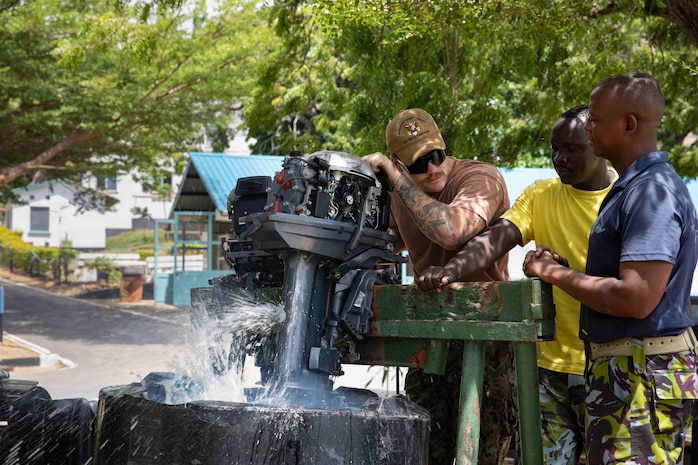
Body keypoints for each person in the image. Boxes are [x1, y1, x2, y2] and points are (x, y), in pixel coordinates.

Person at [416, 104, 616, 464]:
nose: (559, 158)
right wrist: (451, 271)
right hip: (548, 368)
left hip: (607, 365)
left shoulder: (626, 198)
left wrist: (558, 272)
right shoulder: (540, 195)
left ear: (598, 145)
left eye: (571, 149)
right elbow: (494, 240)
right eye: (554, 149)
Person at [523, 72, 698, 465]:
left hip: (639, 372)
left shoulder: (651, 191)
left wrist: (553, 274)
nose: (588, 125)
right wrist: (568, 273)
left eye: (596, 119)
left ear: (628, 124)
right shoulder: (634, 187)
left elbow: (635, 297)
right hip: (626, 369)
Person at [363, 108, 515, 465]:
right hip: (430, 332)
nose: (433, 169)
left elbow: (452, 231)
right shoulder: (402, 194)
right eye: (418, 164)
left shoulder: (481, 178)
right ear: (400, 164)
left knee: (480, 452)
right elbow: (385, 243)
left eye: (437, 156)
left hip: (484, 334)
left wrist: (399, 181)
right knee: (425, 448)